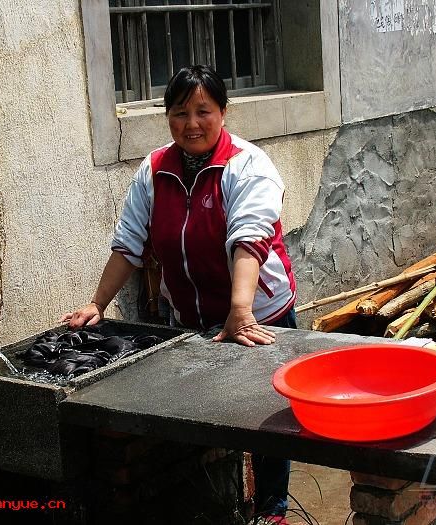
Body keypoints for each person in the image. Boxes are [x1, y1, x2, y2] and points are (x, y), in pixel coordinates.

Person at [62, 65, 296, 524]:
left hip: (258, 314)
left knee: (268, 418)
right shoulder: (154, 171)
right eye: (179, 112)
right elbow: (129, 241)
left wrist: (241, 310)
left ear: (224, 112)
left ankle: (273, 510)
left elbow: (249, 237)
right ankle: (212, 504)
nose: (192, 123)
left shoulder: (248, 165)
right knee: (203, 412)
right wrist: (98, 303)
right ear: (167, 117)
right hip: (189, 319)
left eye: (203, 111)